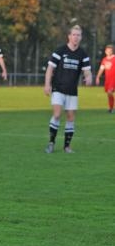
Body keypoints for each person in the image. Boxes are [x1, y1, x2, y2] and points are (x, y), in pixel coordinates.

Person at [44, 24, 92, 154]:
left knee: (70, 118)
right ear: (69, 36)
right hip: (58, 88)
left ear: (81, 37)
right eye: (74, 35)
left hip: (72, 91)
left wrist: (89, 78)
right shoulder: (60, 51)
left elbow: (87, 71)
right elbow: (50, 69)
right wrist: (47, 84)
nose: (76, 37)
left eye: (78, 35)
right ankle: (51, 143)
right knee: (57, 114)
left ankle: (67, 147)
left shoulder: (82, 54)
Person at [95, 44, 115, 113]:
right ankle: (111, 108)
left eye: (110, 50)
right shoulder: (104, 59)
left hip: (113, 80)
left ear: (112, 51)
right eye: (107, 50)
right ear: (105, 51)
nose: (108, 52)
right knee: (109, 94)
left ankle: (111, 108)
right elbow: (101, 69)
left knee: (110, 92)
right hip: (108, 80)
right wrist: (98, 77)